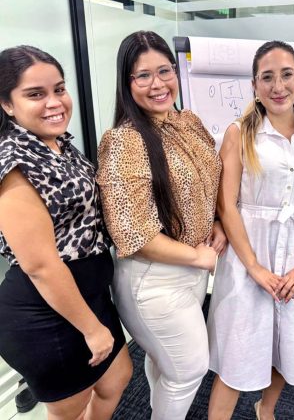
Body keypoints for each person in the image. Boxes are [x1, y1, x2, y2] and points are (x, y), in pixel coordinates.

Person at [96, 31, 225, 420]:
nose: (158, 84)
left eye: (165, 71)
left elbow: (210, 179)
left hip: (191, 270)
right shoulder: (124, 141)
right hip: (154, 279)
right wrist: (198, 257)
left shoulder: (187, 121)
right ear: (127, 83)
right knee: (189, 371)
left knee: (167, 365)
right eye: (143, 75)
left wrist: (217, 222)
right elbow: (133, 235)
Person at [0, 45, 132, 420]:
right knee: (68, 412)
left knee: (117, 378)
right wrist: (92, 329)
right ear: (7, 104)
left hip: (89, 297)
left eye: (59, 89)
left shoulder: (57, 144)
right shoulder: (13, 162)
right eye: (35, 94)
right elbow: (40, 265)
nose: (55, 102)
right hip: (46, 314)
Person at [207, 40, 294, 420]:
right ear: (254, 85)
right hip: (249, 256)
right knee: (237, 355)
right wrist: (255, 268)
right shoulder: (239, 133)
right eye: (267, 77)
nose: (278, 86)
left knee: (285, 344)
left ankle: (266, 409)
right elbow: (226, 205)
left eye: (287, 75)